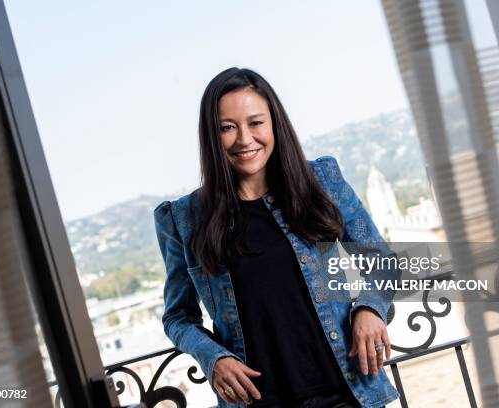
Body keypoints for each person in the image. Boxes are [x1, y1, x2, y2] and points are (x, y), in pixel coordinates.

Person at [154, 67, 401, 408]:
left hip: (347, 392)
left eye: (255, 123)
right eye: (227, 127)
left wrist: (370, 309)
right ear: (211, 136)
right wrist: (214, 358)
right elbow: (177, 316)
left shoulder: (322, 181)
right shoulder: (184, 219)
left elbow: (383, 262)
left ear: (274, 124)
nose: (244, 139)